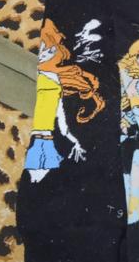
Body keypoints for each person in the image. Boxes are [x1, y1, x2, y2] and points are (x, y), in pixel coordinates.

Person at [24, 18, 104, 182]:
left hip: (44, 139)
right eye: (44, 48)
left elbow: (62, 121)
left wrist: (75, 142)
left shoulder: (54, 81)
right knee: (37, 177)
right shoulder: (48, 77)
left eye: (49, 49)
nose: (45, 52)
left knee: (40, 178)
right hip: (39, 137)